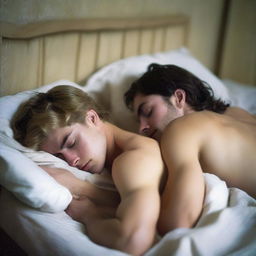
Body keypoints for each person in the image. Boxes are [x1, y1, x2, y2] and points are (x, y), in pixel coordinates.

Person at [11, 85, 165, 256]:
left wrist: (89, 214)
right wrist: (83, 188)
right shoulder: (121, 158)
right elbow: (135, 204)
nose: (71, 161)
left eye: (71, 143)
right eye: (60, 157)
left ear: (92, 118)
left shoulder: (132, 160)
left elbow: (131, 241)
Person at [124, 63, 256, 235]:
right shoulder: (237, 112)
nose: (141, 128)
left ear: (178, 98)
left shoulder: (181, 128)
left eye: (148, 111)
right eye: (138, 121)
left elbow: (178, 223)